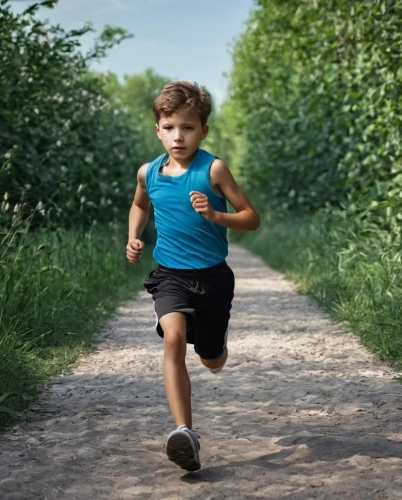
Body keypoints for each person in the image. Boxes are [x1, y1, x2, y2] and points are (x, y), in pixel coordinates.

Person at [125, 81, 260, 472]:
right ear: (158, 130)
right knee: (173, 339)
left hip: (214, 278)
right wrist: (134, 238)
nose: (178, 136)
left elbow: (252, 218)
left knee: (211, 360)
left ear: (203, 130)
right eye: (169, 127)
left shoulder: (213, 169)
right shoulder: (148, 172)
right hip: (170, 275)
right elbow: (139, 206)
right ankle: (184, 432)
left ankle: (214, 348)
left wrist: (216, 215)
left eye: (187, 127)